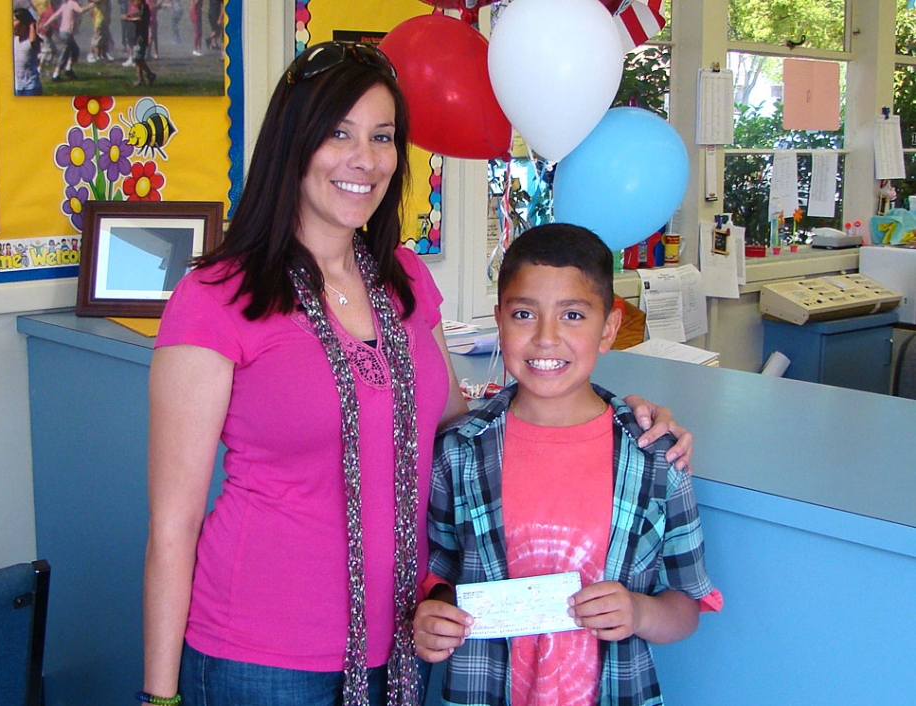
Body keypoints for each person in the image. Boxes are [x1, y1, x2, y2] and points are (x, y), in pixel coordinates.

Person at [142, 42, 694, 706]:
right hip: (261, 657)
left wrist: (616, 418)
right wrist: (159, 696)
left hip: (405, 644)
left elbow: (459, 436)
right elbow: (173, 527)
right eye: (338, 134)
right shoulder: (216, 296)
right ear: (293, 145)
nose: (364, 159)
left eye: (382, 137)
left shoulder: (403, 279)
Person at [414, 223, 721, 706]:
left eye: (573, 315)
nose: (546, 338)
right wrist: (433, 613)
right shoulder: (459, 452)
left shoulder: (655, 458)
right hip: (482, 689)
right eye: (523, 314)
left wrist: (638, 613)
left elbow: (685, 605)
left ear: (610, 328)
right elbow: (437, 572)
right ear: (499, 321)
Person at [39, 0, 91, 81]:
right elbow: (81, 10)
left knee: (75, 50)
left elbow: (55, 15)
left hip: (62, 32)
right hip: (67, 33)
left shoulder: (64, 5)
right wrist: (91, 5)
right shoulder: (73, 3)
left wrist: (46, 23)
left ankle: (68, 69)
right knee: (65, 53)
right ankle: (56, 74)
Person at [123, 0, 155, 86]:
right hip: (138, 36)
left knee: (138, 58)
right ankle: (147, 76)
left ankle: (145, 77)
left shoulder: (144, 7)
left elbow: (140, 19)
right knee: (138, 59)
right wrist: (130, 16)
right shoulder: (141, 8)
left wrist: (129, 18)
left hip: (142, 37)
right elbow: (137, 16)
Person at [13, 7, 43, 96]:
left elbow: (33, 40)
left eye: (15, 20)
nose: (12, 23)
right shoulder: (14, 40)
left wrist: (32, 25)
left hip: (30, 87)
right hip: (17, 86)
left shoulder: (31, 42)